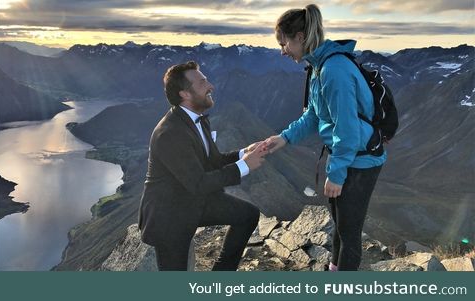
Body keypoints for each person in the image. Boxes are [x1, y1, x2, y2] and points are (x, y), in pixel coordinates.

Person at [265, 4, 386, 271]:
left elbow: (347, 128)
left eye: (284, 43)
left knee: (349, 231)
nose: (282, 51)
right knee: (340, 225)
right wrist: (283, 138)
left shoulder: (334, 71)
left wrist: (338, 172)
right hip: (347, 156)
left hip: (360, 160)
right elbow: (313, 116)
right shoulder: (318, 67)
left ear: (299, 37)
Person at [138, 61, 268, 271]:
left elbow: (212, 161)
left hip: (194, 201)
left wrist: (245, 152)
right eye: (202, 82)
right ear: (185, 94)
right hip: (170, 216)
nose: (211, 86)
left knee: (248, 215)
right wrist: (244, 166)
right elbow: (198, 183)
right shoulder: (170, 133)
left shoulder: (197, 120)